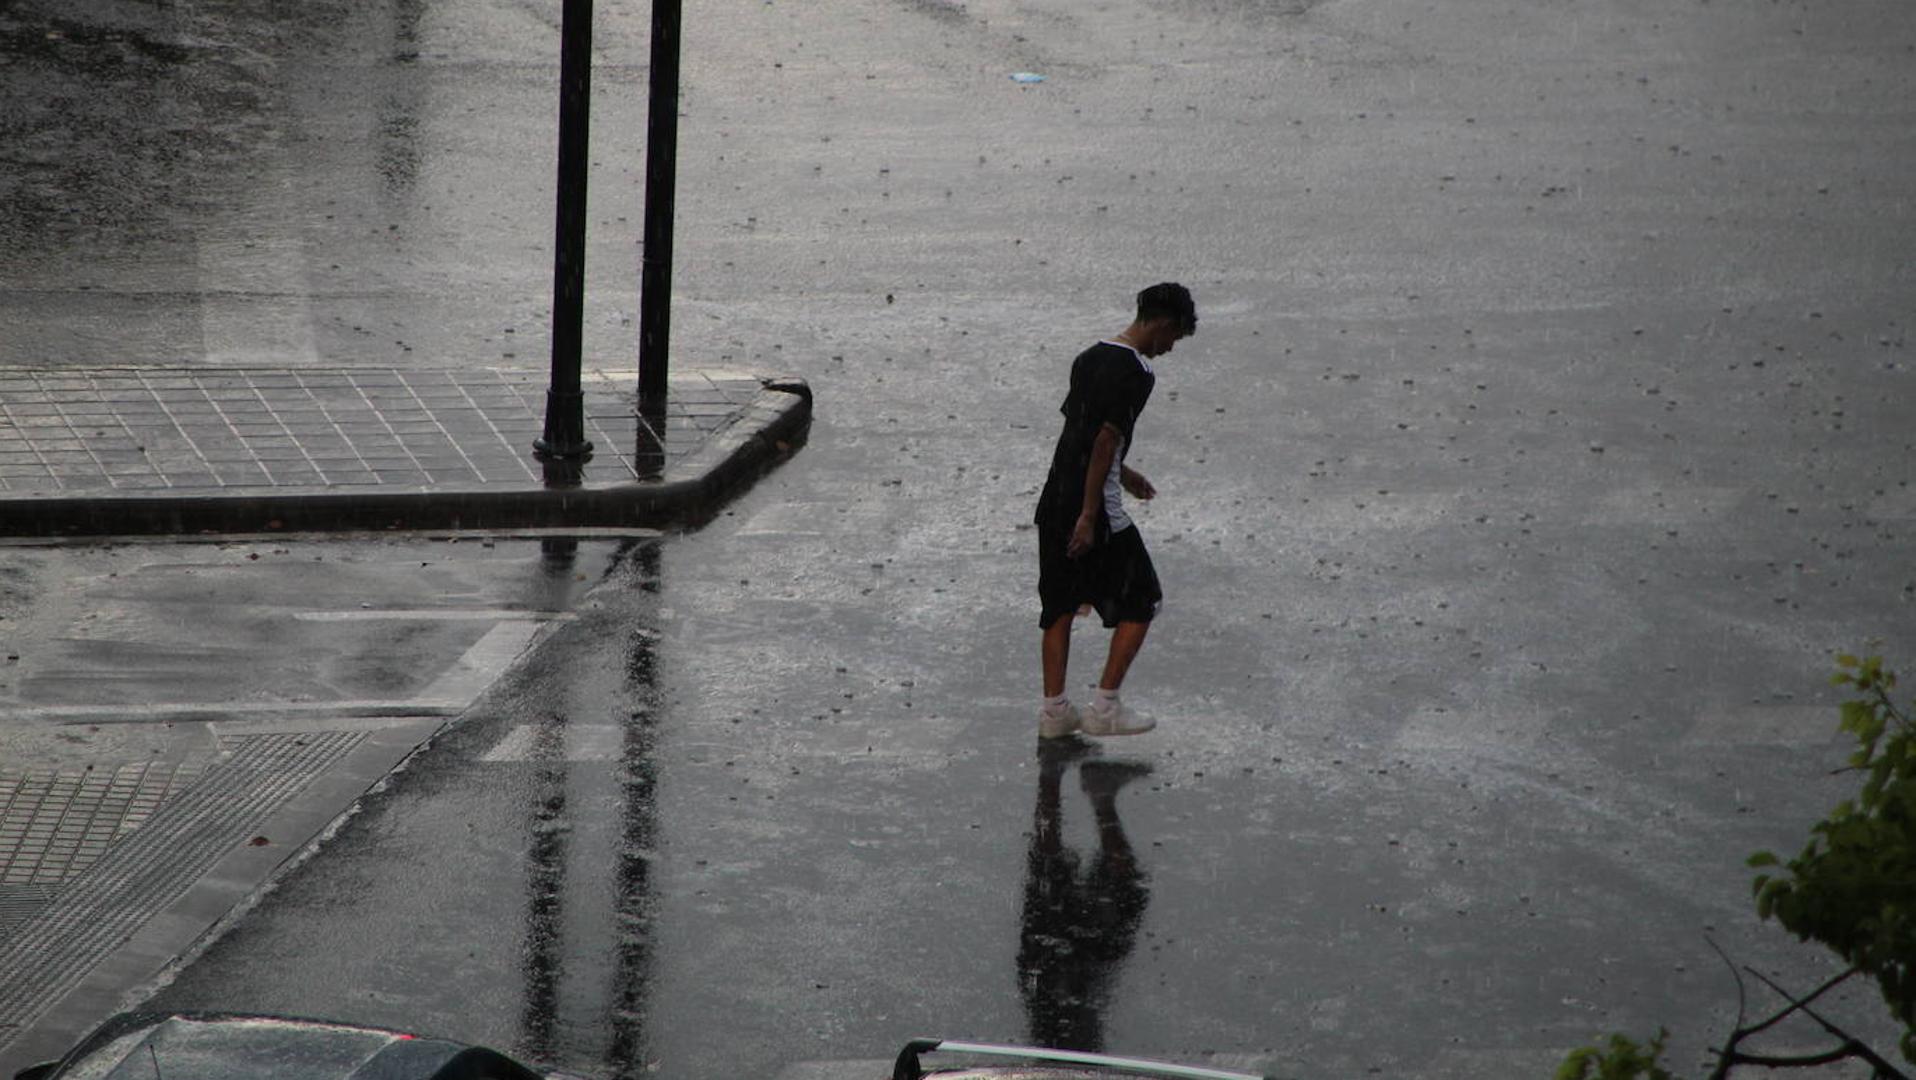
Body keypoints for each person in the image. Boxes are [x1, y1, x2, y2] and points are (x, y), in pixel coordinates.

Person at [1033, 282, 1197, 738]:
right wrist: (1090, 515)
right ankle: (1105, 706)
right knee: (1143, 599)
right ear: (1163, 324)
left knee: (1060, 605)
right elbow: (1105, 438)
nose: (1169, 348)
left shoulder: (1088, 358)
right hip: (1093, 508)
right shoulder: (1137, 372)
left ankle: (1054, 714)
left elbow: (1079, 433)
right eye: (1174, 338)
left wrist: (1125, 474)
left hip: (1054, 498)